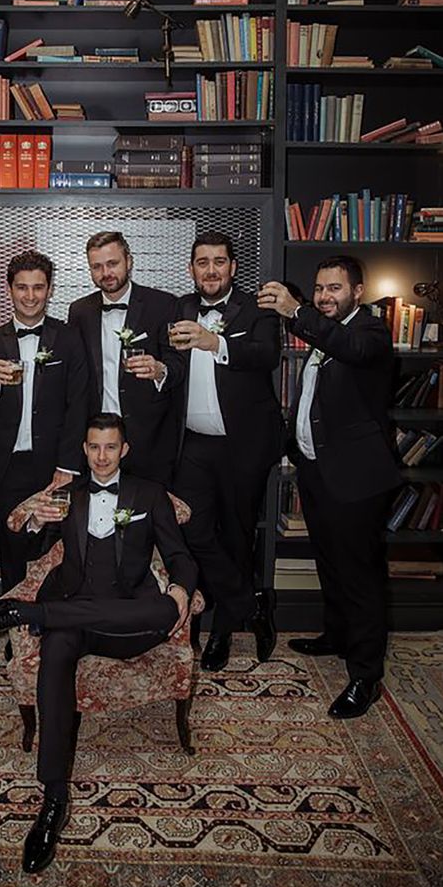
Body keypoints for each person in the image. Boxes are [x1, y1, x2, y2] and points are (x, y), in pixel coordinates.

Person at [0, 412, 198, 874]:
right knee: (55, 651)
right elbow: (33, 551)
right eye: (94, 448)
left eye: (111, 447)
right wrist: (35, 520)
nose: (102, 456)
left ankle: (27, 614)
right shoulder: (64, 496)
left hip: (130, 622)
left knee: (165, 607)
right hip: (72, 612)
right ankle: (52, 802)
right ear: (84, 450)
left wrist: (183, 589)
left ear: (124, 449)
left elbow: (179, 556)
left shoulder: (150, 494)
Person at [258, 256, 400, 718]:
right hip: (319, 473)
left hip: (357, 479)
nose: (325, 296)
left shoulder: (370, 332)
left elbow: (350, 350)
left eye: (334, 288)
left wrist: (298, 311)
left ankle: (365, 676)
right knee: (331, 563)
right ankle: (337, 635)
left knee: (360, 576)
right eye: (319, 289)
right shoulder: (328, 333)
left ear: (358, 291)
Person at [170, 230, 283, 672]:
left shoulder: (258, 309)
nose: (211, 270)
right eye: (202, 262)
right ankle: (250, 604)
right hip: (192, 444)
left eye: (219, 261)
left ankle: (222, 631)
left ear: (233, 267)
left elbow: (266, 355)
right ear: (192, 269)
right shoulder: (179, 307)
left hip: (243, 445)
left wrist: (212, 341)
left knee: (237, 535)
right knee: (190, 531)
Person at [0, 249, 88, 592]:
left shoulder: (68, 339)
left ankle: (50, 626)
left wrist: (68, 464)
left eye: (38, 287)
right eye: (22, 287)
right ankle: (16, 625)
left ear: (50, 290)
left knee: (55, 551)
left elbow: (78, 404)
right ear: (9, 290)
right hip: (6, 467)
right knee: (11, 550)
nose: (30, 296)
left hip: (54, 465)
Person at [68, 230, 185, 486]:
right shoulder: (79, 311)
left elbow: (179, 364)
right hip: (98, 445)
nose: (106, 273)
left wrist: (160, 370)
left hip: (150, 440)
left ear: (129, 261)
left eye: (113, 263)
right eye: (97, 267)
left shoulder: (163, 305)